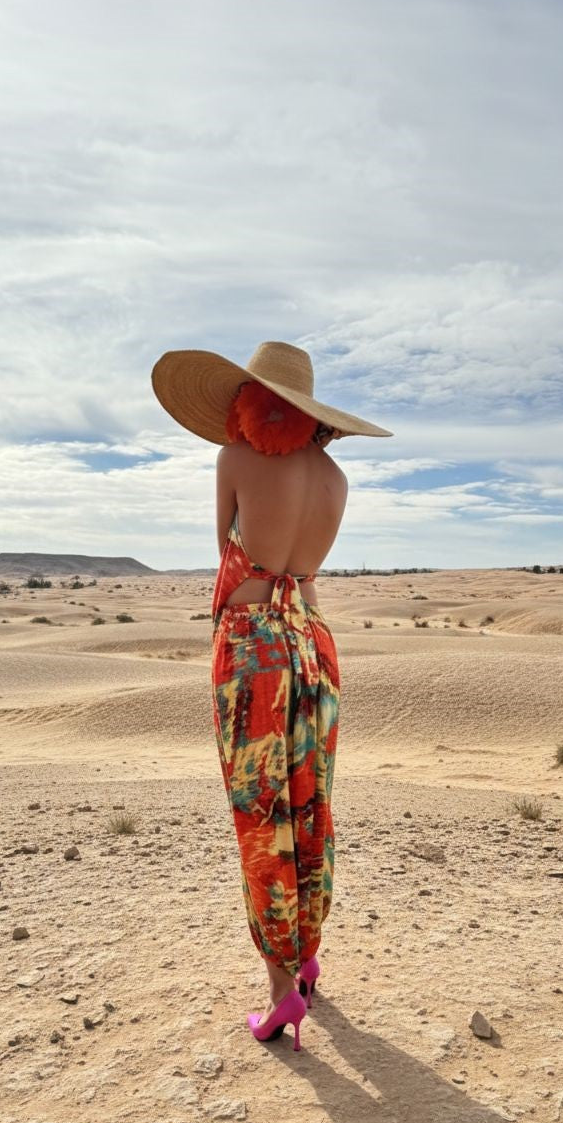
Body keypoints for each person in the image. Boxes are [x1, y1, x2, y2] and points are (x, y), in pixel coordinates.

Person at [151, 341, 392, 1051]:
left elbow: (227, 552)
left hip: (253, 646)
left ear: (255, 401)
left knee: (261, 814)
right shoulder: (336, 479)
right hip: (314, 642)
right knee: (311, 803)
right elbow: (302, 572)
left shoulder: (233, 458)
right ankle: (307, 954)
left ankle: (281, 991)